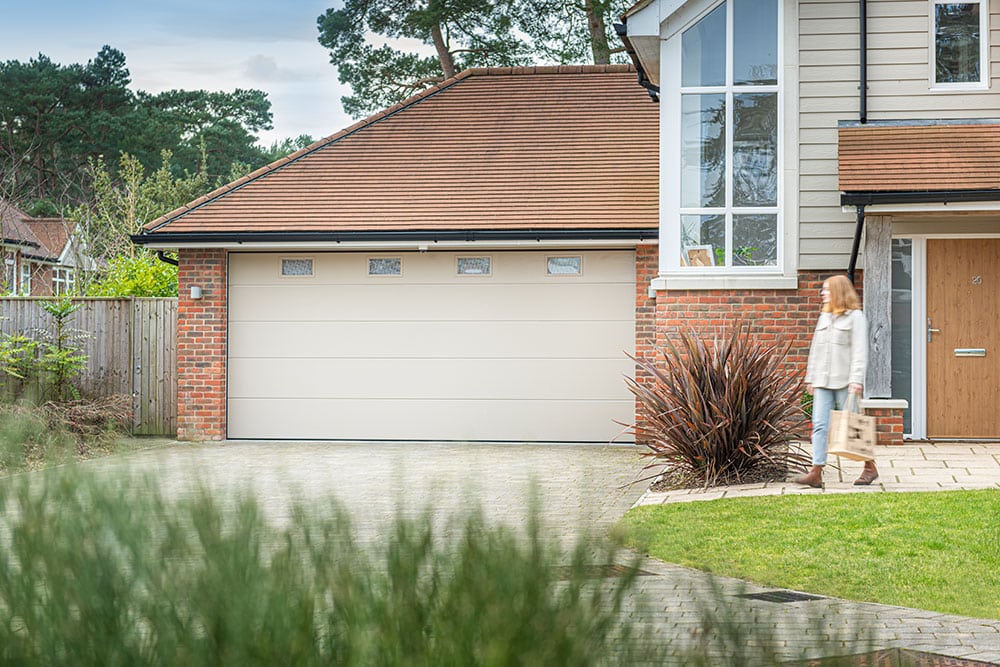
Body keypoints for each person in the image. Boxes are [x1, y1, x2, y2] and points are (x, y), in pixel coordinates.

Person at [795, 274, 878, 488]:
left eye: (826, 290)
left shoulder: (855, 317)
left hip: (845, 382)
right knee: (820, 426)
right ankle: (816, 471)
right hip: (823, 381)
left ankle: (869, 467)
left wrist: (856, 380)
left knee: (853, 427)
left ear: (838, 292)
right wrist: (811, 378)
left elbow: (860, 350)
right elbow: (816, 349)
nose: (823, 294)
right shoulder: (825, 316)